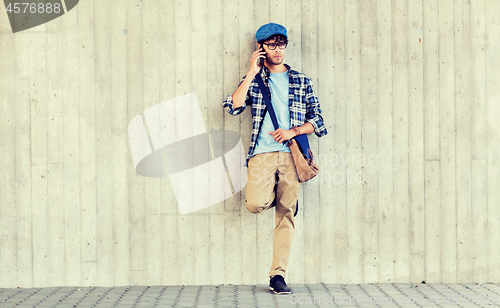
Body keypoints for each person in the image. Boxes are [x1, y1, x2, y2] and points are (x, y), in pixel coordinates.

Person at [223, 22, 327, 294]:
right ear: (261, 48)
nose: (278, 50)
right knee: (256, 203)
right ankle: (277, 194)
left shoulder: (302, 80)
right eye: (271, 45)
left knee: (286, 216)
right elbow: (232, 107)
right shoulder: (255, 81)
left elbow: (318, 120)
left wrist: (293, 130)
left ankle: (277, 275)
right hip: (262, 154)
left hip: (293, 156)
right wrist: (250, 72)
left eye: (281, 44)